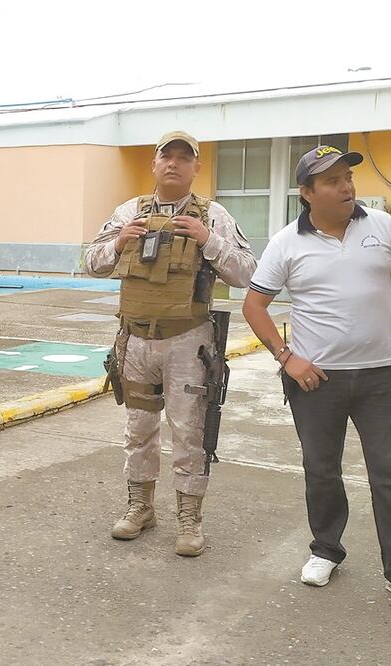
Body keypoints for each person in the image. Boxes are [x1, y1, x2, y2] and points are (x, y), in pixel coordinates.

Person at [242, 145, 391, 614]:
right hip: (317, 382)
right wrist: (287, 357)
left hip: (380, 378)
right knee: (322, 470)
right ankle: (325, 550)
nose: (346, 185)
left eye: (347, 176)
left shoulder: (382, 227)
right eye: (331, 180)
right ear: (307, 193)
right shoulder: (286, 242)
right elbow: (255, 304)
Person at [85, 130, 257, 556]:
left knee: (188, 431)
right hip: (136, 340)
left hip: (188, 342)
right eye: (167, 156)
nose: (174, 164)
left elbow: (248, 273)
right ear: (155, 164)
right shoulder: (128, 211)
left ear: (197, 167)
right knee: (138, 429)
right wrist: (119, 242)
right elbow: (90, 262)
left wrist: (207, 240)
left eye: (185, 158)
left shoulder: (213, 215)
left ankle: (189, 519)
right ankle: (140, 507)